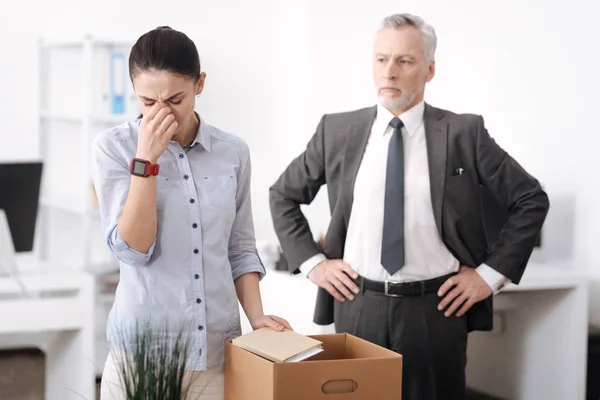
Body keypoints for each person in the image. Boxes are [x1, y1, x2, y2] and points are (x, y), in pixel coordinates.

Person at [269, 13, 548, 400]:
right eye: (382, 59)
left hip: (436, 311)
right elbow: (283, 195)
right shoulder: (337, 130)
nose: (390, 72)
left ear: (429, 69)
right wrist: (314, 264)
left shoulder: (465, 133)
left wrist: (489, 276)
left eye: (405, 61)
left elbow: (530, 199)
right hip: (357, 303)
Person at [92, 26, 291, 400]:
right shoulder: (113, 148)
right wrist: (146, 161)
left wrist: (257, 315)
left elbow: (240, 247)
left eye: (175, 99)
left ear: (200, 84)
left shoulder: (233, 152)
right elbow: (133, 250)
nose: (161, 113)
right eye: (147, 102)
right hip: (143, 359)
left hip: (216, 353)